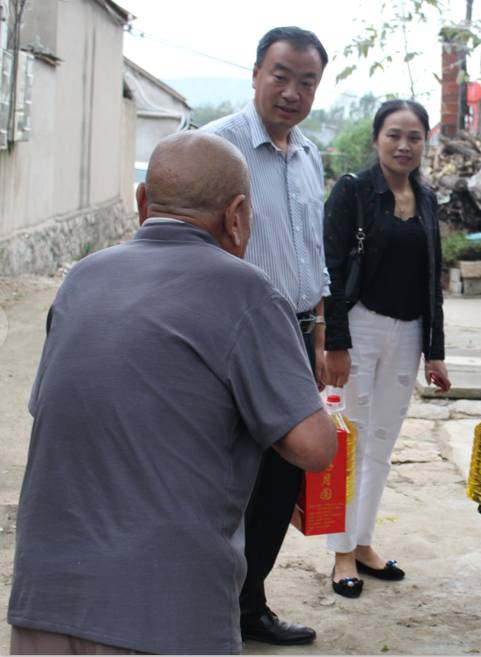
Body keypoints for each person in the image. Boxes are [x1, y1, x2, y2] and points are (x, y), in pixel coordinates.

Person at [5, 132, 337, 655]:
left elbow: (65, 407)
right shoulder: (248, 291)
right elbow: (316, 448)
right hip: (167, 615)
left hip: (44, 602)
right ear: (238, 214)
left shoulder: (81, 280)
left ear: (143, 202)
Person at [202, 26, 330, 645]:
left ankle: (250, 606)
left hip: (298, 333)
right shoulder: (215, 149)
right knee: (226, 476)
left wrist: (322, 330)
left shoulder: (309, 156)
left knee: (283, 479)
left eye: (306, 81)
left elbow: (312, 249)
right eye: (280, 75)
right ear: (255, 73)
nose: (291, 91)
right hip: (231, 333)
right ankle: (207, 606)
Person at [322, 99, 451, 597]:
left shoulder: (427, 199)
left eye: (415, 137)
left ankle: (364, 541)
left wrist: (434, 351)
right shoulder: (353, 192)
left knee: (382, 444)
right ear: (377, 139)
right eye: (394, 135)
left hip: (409, 332)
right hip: (360, 326)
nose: (404, 145)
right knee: (349, 442)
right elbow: (332, 270)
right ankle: (341, 553)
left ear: (424, 143)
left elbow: (431, 278)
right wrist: (335, 341)